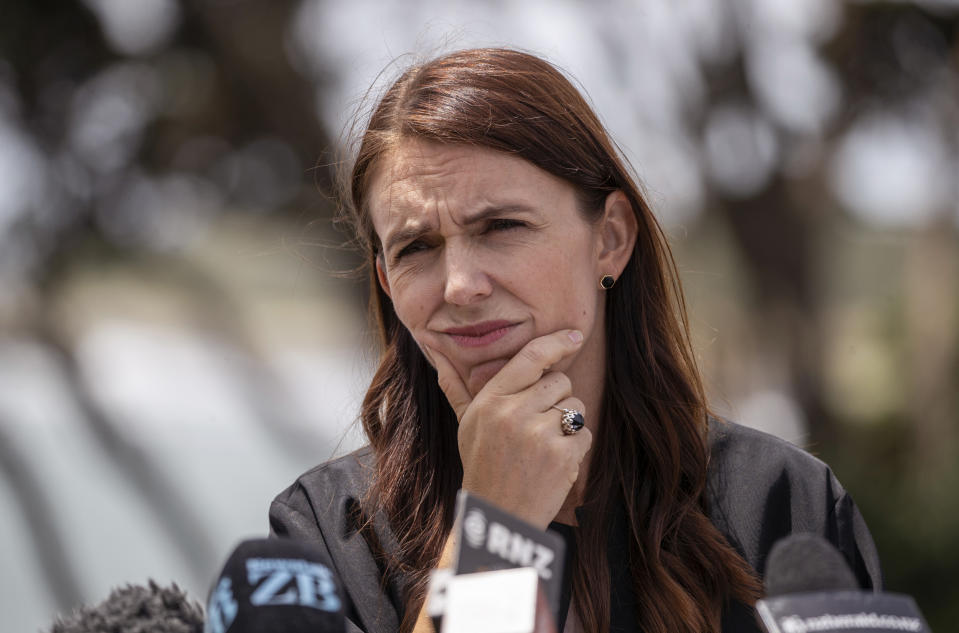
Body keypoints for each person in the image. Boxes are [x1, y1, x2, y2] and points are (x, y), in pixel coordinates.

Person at [270, 48, 882, 633]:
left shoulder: (781, 503)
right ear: (386, 280)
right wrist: (496, 525)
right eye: (416, 248)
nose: (460, 285)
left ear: (610, 237)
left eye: (502, 226)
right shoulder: (327, 535)